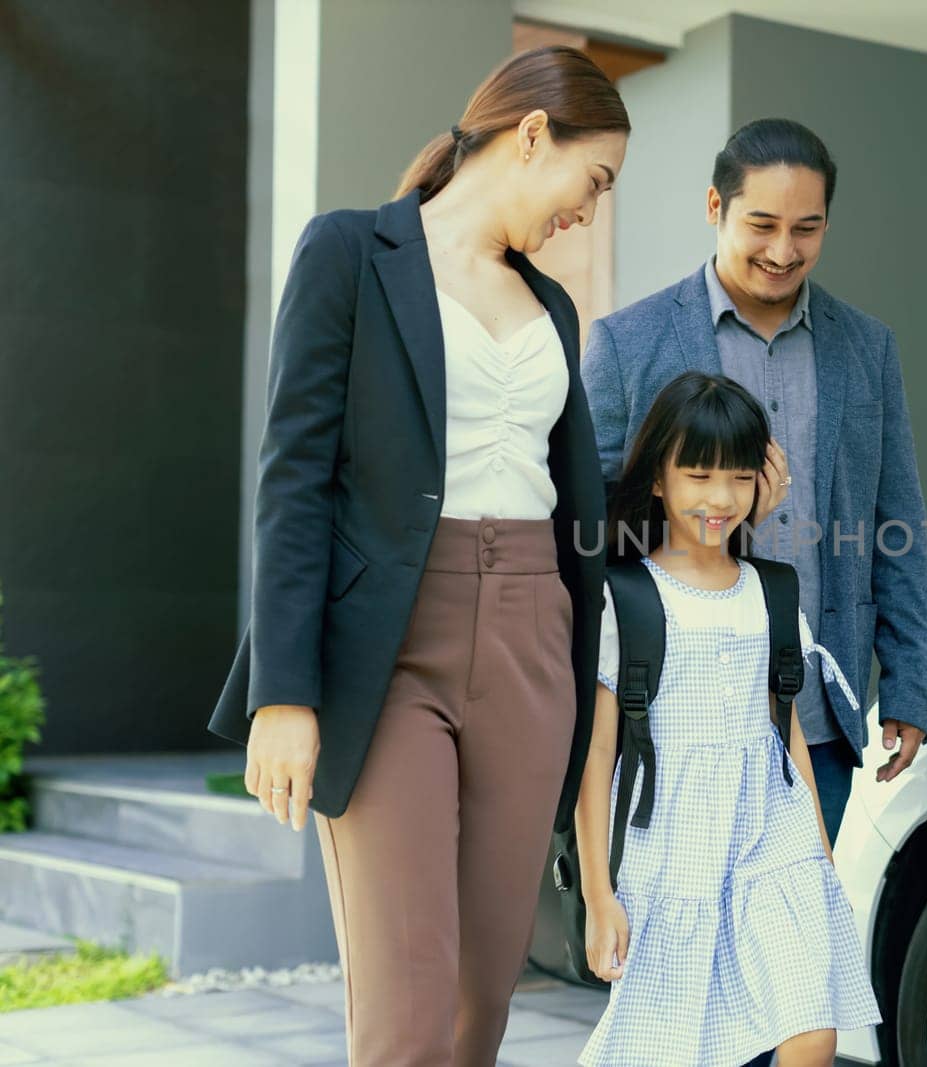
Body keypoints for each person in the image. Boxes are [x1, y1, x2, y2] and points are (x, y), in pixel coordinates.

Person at [207, 47, 627, 1066]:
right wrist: (284, 692)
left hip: (536, 639)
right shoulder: (350, 253)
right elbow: (294, 477)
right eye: (595, 179)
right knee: (409, 996)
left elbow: (575, 497)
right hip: (386, 645)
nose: (590, 209)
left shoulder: (555, 308)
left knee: (482, 993)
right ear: (535, 134)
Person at [582, 119, 927, 855]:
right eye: (763, 224)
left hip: (819, 719)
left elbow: (894, 521)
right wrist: (722, 518)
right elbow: (588, 529)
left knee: (796, 946)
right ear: (715, 207)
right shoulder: (628, 342)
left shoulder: (868, 347)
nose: (783, 251)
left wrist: (907, 686)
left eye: (806, 228)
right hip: (675, 713)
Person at [574, 372, 880, 1067]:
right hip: (668, 845)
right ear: (657, 478)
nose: (720, 498)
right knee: (673, 1046)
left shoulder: (771, 591)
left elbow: (787, 727)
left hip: (772, 839)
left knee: (812, 1028)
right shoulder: (628, 597)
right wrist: (599, 891)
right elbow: (597, 753)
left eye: (739, 477)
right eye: (699, 474)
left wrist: (821, 858)